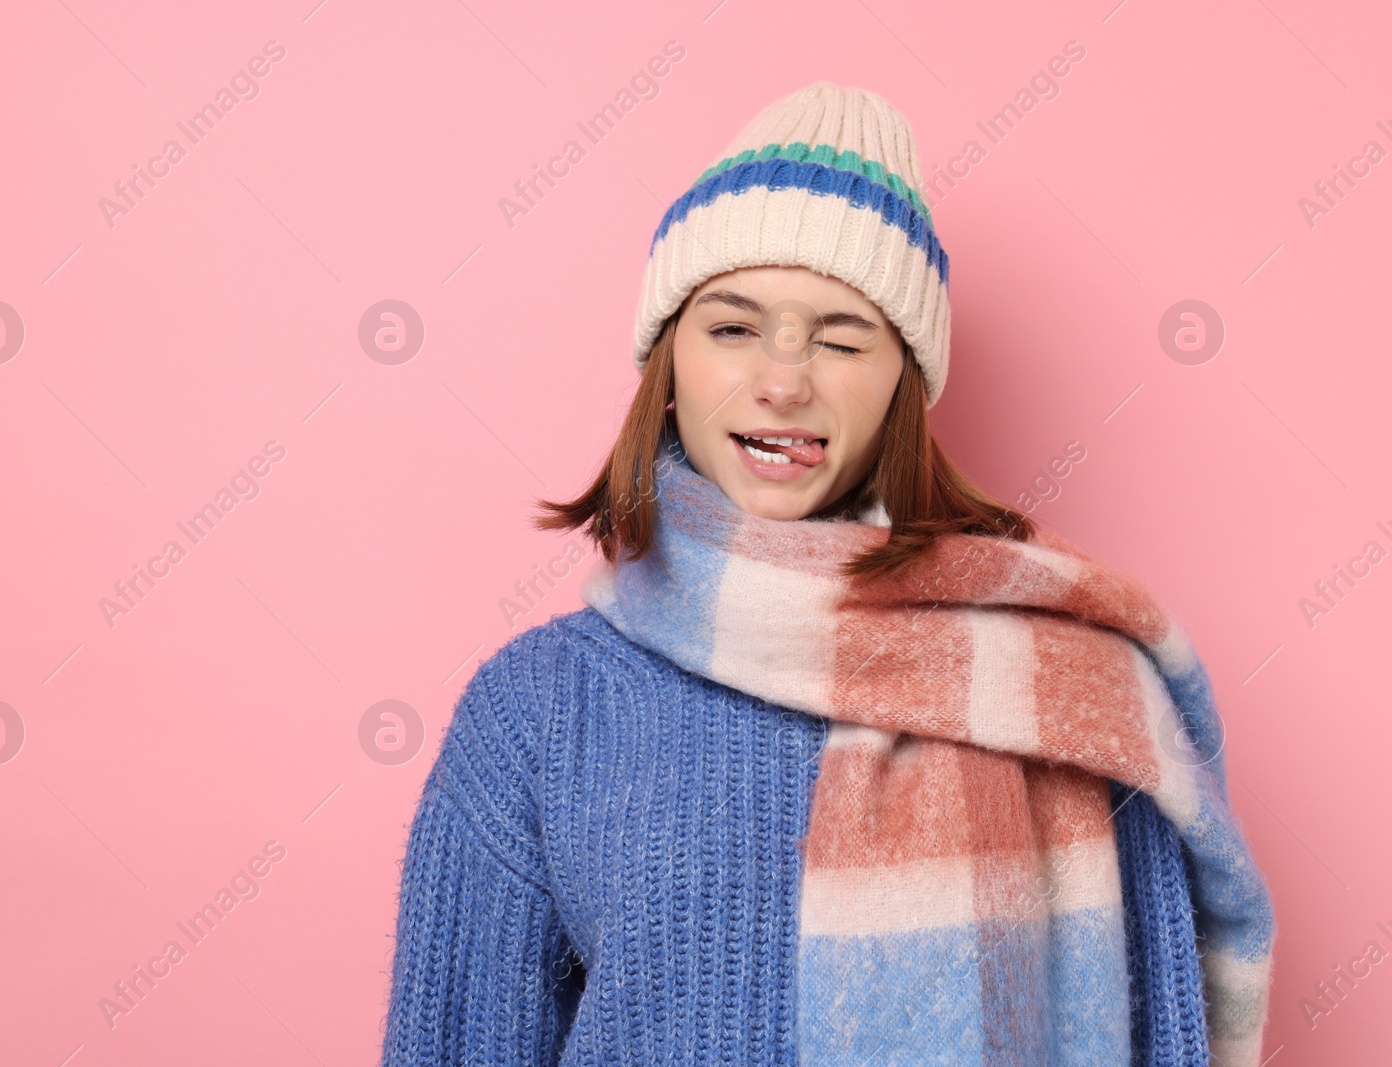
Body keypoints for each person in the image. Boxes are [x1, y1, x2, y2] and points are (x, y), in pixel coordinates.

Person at [377, 82, 1275, 1066]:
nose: (783, 378)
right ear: (667, 365)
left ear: (902, 383)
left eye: (842, 338)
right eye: (731, 327)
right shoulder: (541, 708)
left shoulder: (1072, 693)